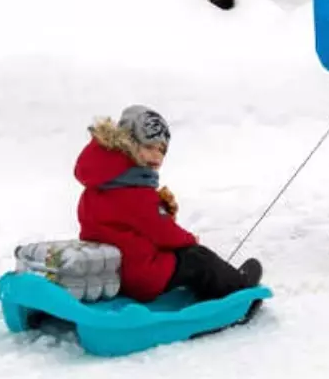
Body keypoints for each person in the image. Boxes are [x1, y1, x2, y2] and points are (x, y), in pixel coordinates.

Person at [75, 104, 262, 303]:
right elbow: (163, 233)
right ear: (129, 143)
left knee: (182, 257)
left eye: (162, 150)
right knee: (197, 258)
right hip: (142, 276)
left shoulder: (100, 184)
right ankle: (238, 289)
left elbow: (133, 224)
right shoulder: (135, 192)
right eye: (149, 147)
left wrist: (160, 209)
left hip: (114, 272)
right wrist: (190, 239)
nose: (157, 156)